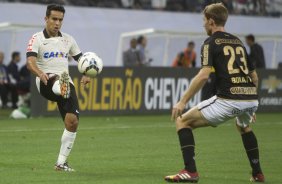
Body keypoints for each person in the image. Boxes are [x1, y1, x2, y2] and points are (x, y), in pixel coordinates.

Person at [165, 3, 264, 183]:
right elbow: (254, 77)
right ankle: (258, 173)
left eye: (204, 20)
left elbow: (203, 76)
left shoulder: (210, 43)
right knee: (243, 126)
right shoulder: (238, 42)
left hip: (229, 99)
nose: (203, 24)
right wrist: (250, 103)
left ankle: (190, 171)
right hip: (250, 97)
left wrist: (181, 102)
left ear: (211, 21)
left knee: (182, 121)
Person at [26, 4, 90, 171]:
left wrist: (86, 73)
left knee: (72, 122)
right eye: (54, 19)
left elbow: (82, 60)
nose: (57, 23)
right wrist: (40, 73)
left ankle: (61, 163)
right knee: (59, 82)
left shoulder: (68, 40)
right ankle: (61, 87)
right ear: (46, 19)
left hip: (66, 83)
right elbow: (30, 62)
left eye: (60, 20)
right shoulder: (37, 38)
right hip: (46, 81)